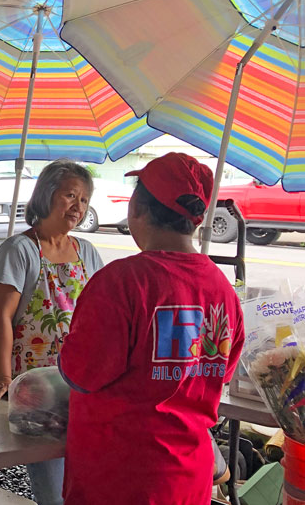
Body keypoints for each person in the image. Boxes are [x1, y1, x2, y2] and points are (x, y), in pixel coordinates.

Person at [58, 153, 244, 505]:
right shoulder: (223, 291)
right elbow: (219, 375)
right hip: (190, 478)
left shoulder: (121, 283)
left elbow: (81, 374)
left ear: (138, 209)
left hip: (120, 479)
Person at [0, 160, 104, 505]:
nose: (78, 207)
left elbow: (102, 316)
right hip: (35, 387)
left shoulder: (88, 253)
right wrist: (4, 379)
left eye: (84, 199)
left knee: (83, 479)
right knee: (52, 487)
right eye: (70, 196)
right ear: (47, 196)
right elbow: (1, 318)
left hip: (81, 385)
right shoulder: (18, 251)